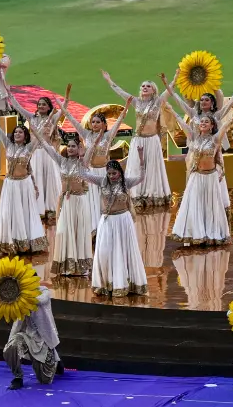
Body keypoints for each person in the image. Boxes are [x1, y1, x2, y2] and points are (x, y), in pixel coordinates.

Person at [102, 72, 175, 209]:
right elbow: (121, 92)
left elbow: (170, 90)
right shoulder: (136, 102)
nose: (145, 88)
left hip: (152, 140)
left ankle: (152, 195)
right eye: (143, 86)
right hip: (138, 140)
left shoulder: (158, 102)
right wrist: (109, 80)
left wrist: (173, 78)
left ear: (153, 90)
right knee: (136, 167)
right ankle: (137, 195)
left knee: (151, 167)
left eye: (148, 86)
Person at [81, 158, 150, 297]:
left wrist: (141, 160)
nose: (111, 176)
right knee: (104, 252)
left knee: (123, 252)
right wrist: (84, 157)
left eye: (114, 173)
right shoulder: (102, 181)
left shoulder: (126, 182)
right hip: (107, 221)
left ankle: (123, 284)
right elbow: (83, 174)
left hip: (123, 221)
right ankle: (107, 283)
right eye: (109, 173)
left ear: (119, 172)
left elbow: (141, 178)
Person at [60, 98, 130, 233]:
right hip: (90, 172)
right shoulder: (86, 135)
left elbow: (118, 122)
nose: (95, 124)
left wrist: (126, 107)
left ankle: (105, 228)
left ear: (104, 124)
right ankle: (93, 229)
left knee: (104, 199)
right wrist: (64, 109)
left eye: (98, 122)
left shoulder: (108, 136)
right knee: (91, 200)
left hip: (104, 173)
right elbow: (73, 121)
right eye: (93, 122)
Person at [0, 116, 49, 255]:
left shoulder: (29, 148)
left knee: (25, 212)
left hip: (24, 184)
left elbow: (39, 134)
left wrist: (47, 119)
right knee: (8, 212)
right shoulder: (8, 145)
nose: (17, 134)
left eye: (20, 132)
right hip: (10, 184)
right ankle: (9, 242)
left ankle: (26, 243)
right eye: (15, 132)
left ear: (25, 137)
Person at [170, 114, 233, 246]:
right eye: (202, 121)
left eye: (206, 122)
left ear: (212, 126)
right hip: (196, 176)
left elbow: (226, 125)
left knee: (211, 206)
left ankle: (211, 234)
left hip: (211, 177)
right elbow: (182, 123)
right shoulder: (193, 137)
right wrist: (170, 109)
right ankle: (197, 234)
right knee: (195, 205)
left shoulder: (215, 138)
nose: (203, 123)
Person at [36, 135, 94, 276]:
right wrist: (38, 134)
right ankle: (66, 265)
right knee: (63, 231)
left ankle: (80, 265)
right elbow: (48, 149)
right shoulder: (61, 161)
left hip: (78, 201)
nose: (70, 148)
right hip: (65, 202)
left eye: (73, 146)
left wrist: (84, 152)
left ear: (79, 148)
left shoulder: (83, 163)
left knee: (78, 231)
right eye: (68, 146)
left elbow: (92, 148)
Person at [5, 89, 62, 225]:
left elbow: (64, 110)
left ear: (49, 107)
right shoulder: (32, 117)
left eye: (44, 104)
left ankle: (51, 208)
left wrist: (64, 98)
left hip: (48, 153)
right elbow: (17, 106)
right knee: (37, 178)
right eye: (39, 104)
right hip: (35, 153)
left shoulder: (53, 118)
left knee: (49, 180)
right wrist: (9, 93)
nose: (41, 106)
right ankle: (37, 208)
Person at [5, 283, 63, 389]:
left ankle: (56, 360)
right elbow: (16, 321)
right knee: (11, 346)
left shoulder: (44, 291)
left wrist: (24, 298)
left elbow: (42, 300)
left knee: (45, 380)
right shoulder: (20, 296)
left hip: (44, 338)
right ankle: (18, 377)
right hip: (27, 335)